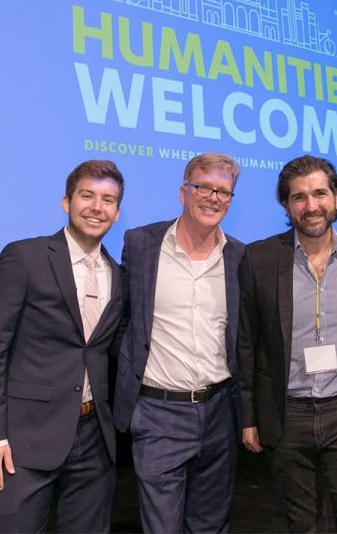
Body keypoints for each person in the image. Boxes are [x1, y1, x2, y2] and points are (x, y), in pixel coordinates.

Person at [0, 160, 126, 533]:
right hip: (24, 439)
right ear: (65, 202)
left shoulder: (117, 274)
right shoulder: (25, 256)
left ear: (117, 212)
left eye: (108, 200)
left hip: (94, 437)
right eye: (87, 196)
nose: (96, 207)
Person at [237, 155, 337, 533]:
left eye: (320, 194)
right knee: (303, 526)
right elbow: (247, 343)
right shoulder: (259, 258)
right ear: (286, 205)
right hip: (287, 416)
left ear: (336, 197)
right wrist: (249, 416)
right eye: (299, 197)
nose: (311, 206)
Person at [114, 153, 245, 533]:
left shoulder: (239, 256)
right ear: (183, 193)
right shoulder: (141, 244)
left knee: (210, 525)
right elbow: (122, 319)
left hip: (220, 411)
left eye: (224, 191)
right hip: (158, 413)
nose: (213, 198)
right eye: (203, 187)